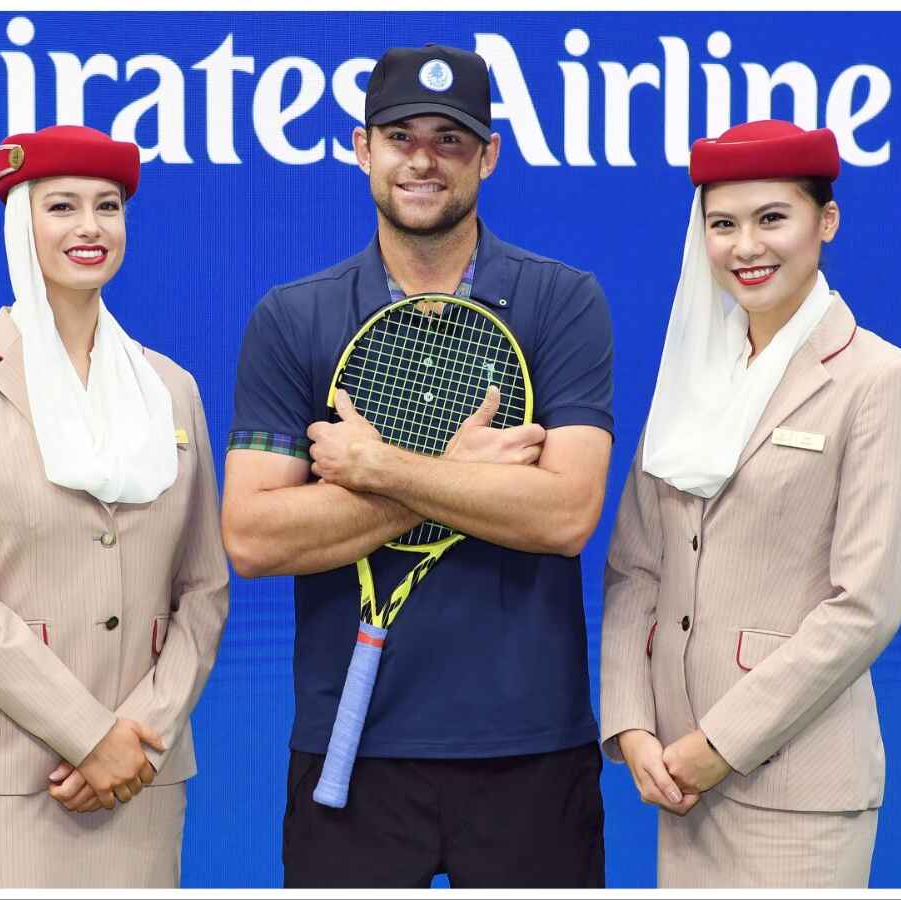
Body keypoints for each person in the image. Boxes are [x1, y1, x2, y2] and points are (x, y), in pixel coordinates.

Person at [222, 45, 613, 888]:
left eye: (451, 139)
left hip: (533, 753)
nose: (423, 160)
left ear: (489, 156)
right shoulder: (293, 319)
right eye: (401, 136)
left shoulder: (562, 302)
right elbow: (254, 537)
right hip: (349, 751)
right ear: (363, 149)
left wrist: (376, 466)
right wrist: (458, 472)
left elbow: (565, 514)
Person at [599, 120, 901, 888]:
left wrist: (719, 744)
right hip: (678, 782)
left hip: (795, 789)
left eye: (771, 219)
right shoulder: (691, 377)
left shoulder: (881, 380)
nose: (745, 246)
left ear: (826, 222)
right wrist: (631, 724)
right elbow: (635, 569)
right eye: (722, 224)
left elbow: (866, 606)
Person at [0, 125, 230, 888]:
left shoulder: (170, 389)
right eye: (62, 207)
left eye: (108, 207)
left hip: (139, 784)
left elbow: (204, 591)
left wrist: (137, 742)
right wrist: (90, 737)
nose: (90, 227)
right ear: (22, 223)